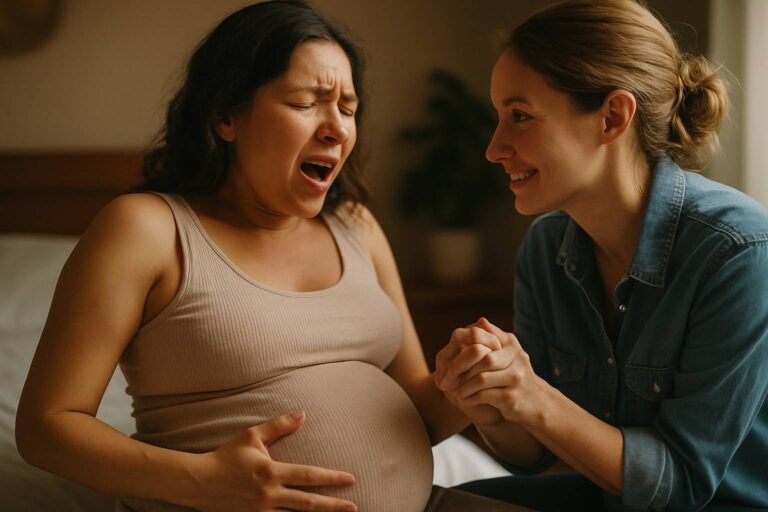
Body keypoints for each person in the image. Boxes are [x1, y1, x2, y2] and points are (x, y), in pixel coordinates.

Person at [15, 2, 527, 511]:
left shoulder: (357, 226)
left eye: (348, 109)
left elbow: (417, 408)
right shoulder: (147, 229)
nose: (337, 128)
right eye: (308, 102)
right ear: (225, 117)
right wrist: (202, 479)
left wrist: (465, 386)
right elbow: (46, 426)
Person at [435, 0, 768, 511]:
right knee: (441, 503)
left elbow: (681, 485)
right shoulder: (545, 249)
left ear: (613, 116)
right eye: (499, 117)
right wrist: (491, 402)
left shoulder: (738, 253)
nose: (494, 147)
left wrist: (533, 397)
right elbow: (532, 456)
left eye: (519, 116)